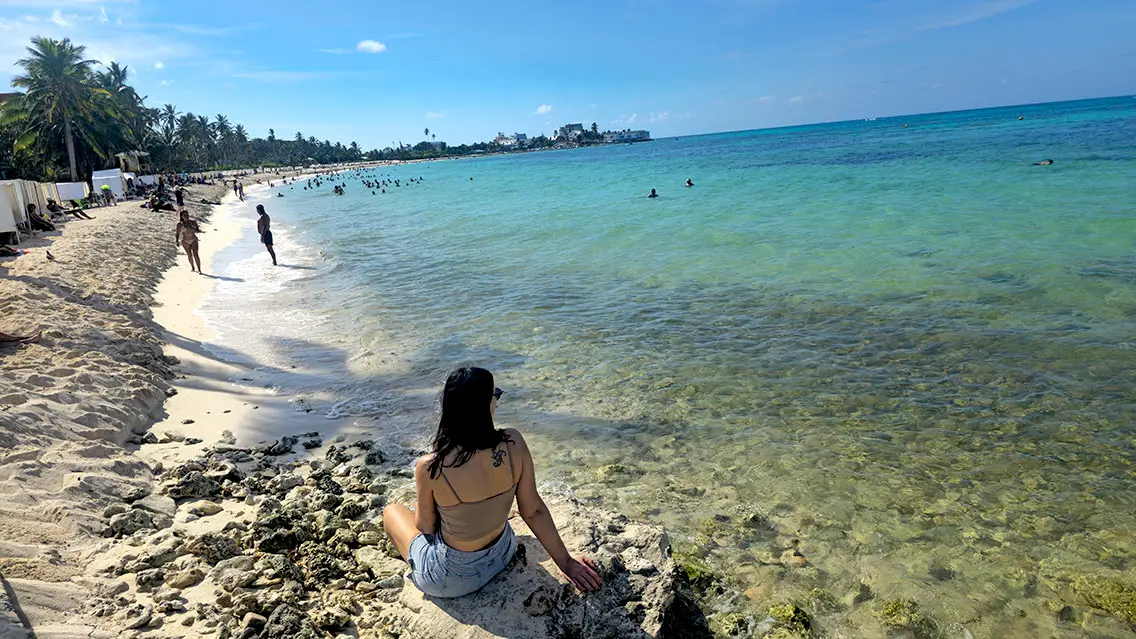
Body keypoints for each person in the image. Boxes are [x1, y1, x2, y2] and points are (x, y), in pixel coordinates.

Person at [382, 367, 603, 598]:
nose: (496, 400)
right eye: (495, 394)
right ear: (486, 404)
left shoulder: (430, 466)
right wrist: (566, 563)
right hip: (502, 554)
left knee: (392, 511)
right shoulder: (513, 442)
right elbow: (534, 511)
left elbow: (425, 526)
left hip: (451, 579)